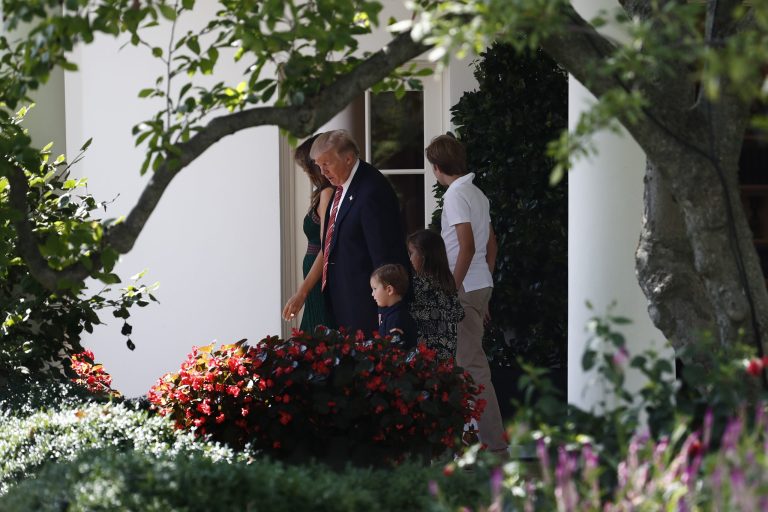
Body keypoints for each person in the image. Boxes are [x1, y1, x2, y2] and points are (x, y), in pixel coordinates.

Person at [426, 134, 507, 457]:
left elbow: (468, 246)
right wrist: (483, 284)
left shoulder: (456, 195)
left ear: (436, 167)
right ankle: (474, 444)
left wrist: (451, 290)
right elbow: (491, 245)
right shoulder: (477, 193)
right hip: (477, 286)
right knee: (467, 367)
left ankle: (494, 448)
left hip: (464, 288)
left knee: (471, 368)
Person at [310, 129, 410, 336]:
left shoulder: (372, 190)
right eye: (319, 166)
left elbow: (384, 255)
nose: (323, 172)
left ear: (348, 158)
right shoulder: (342, 187)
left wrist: (386, 311)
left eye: (326, 163)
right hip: (345, 302)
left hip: (367, 307)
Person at [282, 134, 333, 331]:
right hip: (314, 278)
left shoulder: (327, 193)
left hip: (318, 278)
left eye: (306, 169)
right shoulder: (323, 193)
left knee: (318, 333)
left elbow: (326, 246)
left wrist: (301, 293)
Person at [407, 229, 464, 362]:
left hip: (424, 356)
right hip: (446, 355)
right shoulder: (447, 283)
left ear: (424, 255)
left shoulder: (417, 285)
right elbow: (459, 314)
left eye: (411, 253)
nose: (409, 259)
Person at [370, 264, 417, 348]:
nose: (372, 294)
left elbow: (394, 350)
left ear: (389, 290)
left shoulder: (396, 319)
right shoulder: (388, 312)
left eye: (375, 289)